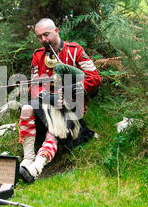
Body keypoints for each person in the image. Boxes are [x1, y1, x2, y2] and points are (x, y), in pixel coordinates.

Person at [19, 18, 101, 183]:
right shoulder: (38, 56)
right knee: (27, 108)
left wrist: (69, 91)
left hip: (72, 108)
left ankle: (37, 167)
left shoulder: (75, 50)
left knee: (55, 118)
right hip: (47, 105)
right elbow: (34, 88)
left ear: (56, 31)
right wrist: (50, 97)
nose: (44, 40)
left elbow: (95, 78)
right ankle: (28, 159)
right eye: (40, 37)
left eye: (46, 35)